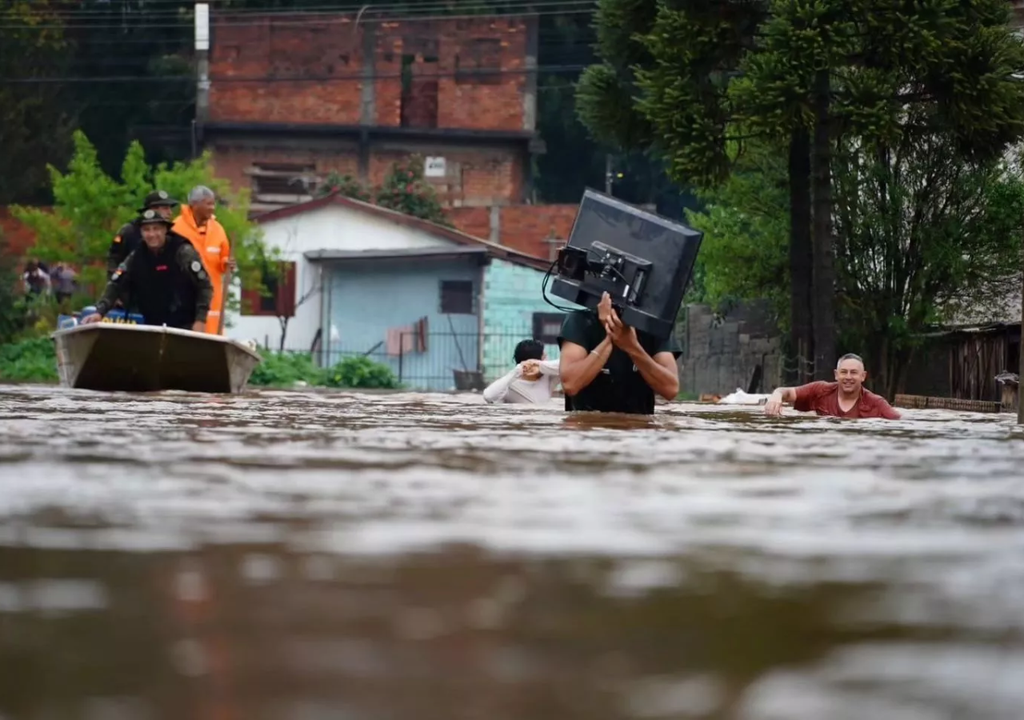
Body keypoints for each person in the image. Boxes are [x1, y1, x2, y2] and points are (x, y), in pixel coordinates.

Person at [81, 209, 213, 332]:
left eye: (156, 229)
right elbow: (116, 283)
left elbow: (205, 286)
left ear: (165, 230)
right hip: (151, 324)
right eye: (146, 230)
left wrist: (200, 320)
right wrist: (99, 312)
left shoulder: (183, 252)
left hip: (184, 325)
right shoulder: (136, 255)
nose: (152, 234)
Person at [558, 292, 681, 414]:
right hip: (587, 429)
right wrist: (610, 337)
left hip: (638, 430)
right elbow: (570, 384)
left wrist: (632, 346)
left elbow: (671, 388)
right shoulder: (581, 321)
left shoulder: (653, 327)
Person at [173, 185, 235, 335]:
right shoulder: (176, 228)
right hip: (184, 297)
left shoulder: (218, 229)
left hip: (212, 296)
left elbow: (224, 258)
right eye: (208, 204)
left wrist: (227, 263)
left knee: (212, 335)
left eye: (213, 204)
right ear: (195, 205)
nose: (213, 208)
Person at [763, 353, 901, 419]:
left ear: (863, 376)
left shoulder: (876, 403)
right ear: (836, 374)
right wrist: (776, 395)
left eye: (853, 373)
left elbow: (900, 422)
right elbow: (787, 392)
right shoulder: (820, 390)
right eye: (843, 372)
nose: (848, 377)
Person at [107, 190, 179, 277]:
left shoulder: (170, 233)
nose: (170, 212)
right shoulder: (129, 231)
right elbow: (114, 258)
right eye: (165, 208)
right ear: (152, 210)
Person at [483, 339, 561, 405]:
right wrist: (519, 369)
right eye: (545, 358)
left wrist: (539, 365)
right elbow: (489, 396)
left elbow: (570, 365)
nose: (547, 361)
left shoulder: (548, 376)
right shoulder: (510, 384)